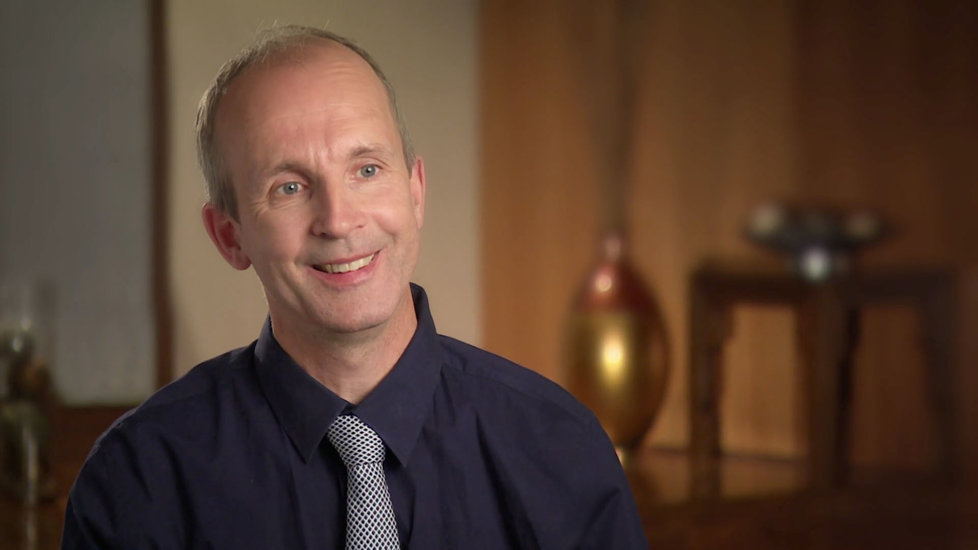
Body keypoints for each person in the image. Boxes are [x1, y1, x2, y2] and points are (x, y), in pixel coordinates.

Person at [61, 25, 648, 549]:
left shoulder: (561, 452)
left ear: (415, 193)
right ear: (229, 236)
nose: (339, 221)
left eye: (366, 170)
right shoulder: (138, 482)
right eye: (290, 188)